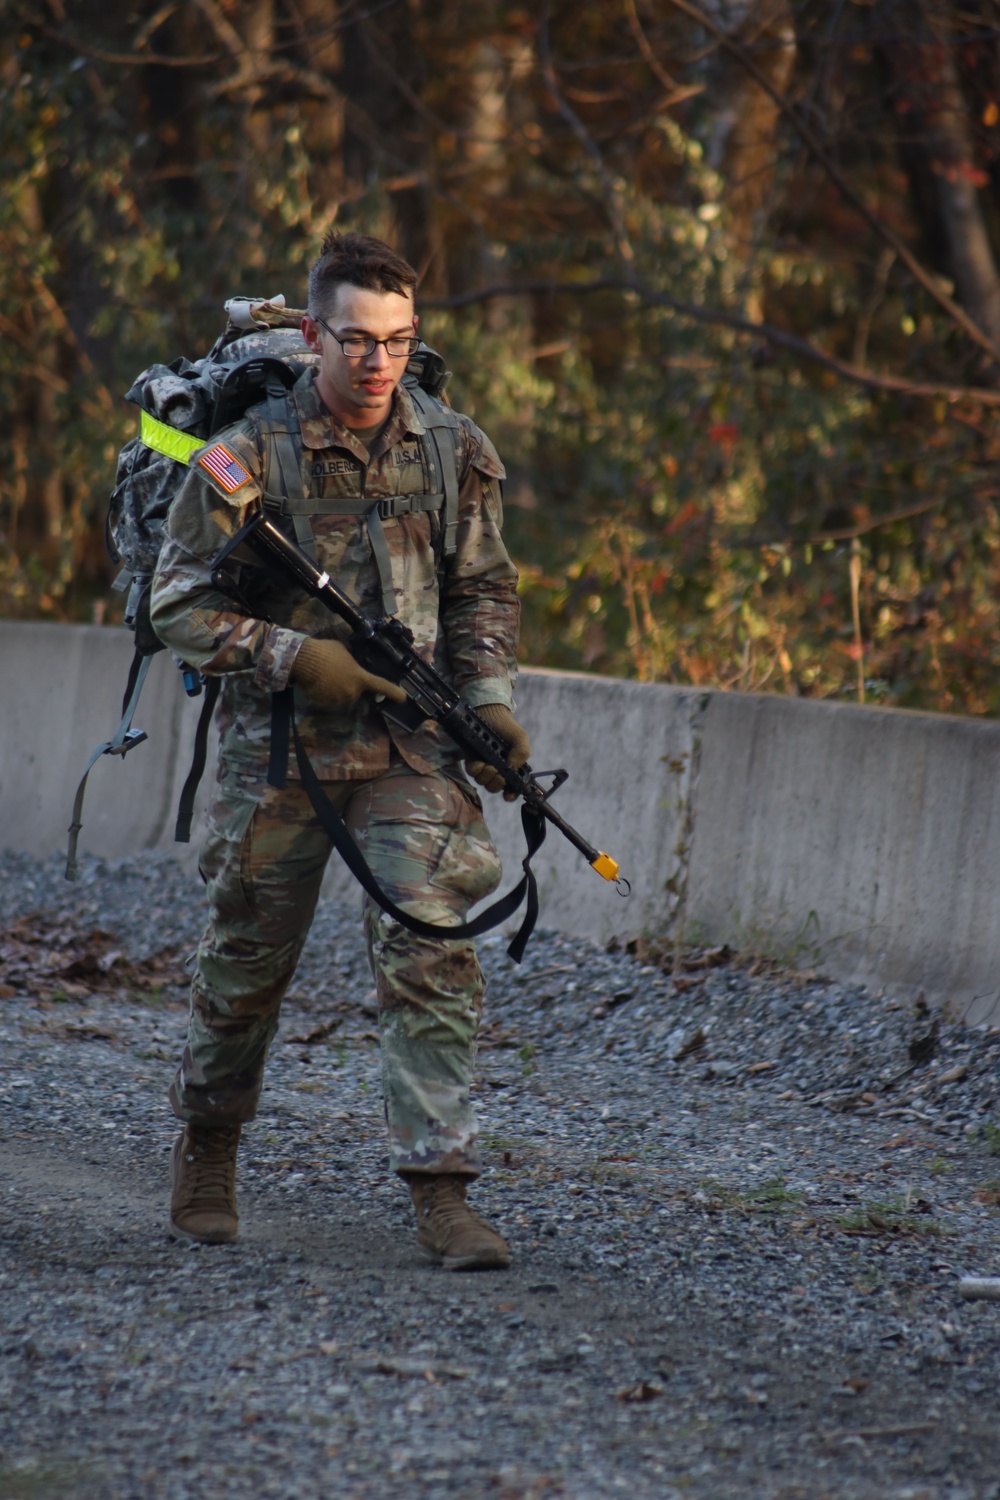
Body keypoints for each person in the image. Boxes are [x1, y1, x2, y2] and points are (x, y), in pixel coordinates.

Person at [150, 231, 530, 1270]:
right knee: (247, 956)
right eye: (356, 340)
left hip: (411, 747)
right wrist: (288, 655)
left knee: (431, 946)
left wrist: (489, 704)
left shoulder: (455, 449)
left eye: (398, 342)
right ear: (314, 333)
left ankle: (441, 1189)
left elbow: (481, 589)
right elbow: (175, 599)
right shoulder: (250, 457)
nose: (376, 363)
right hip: (279, 755)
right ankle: (210, 1145)